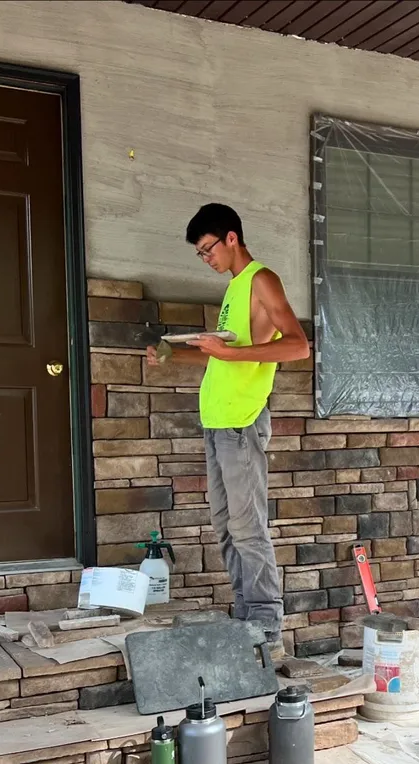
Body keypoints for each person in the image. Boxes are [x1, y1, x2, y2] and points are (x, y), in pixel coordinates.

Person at [147, 204, 310, 653]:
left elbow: (297, 347)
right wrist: (173, 355)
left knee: (247, 526)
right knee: (225, 525)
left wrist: (225, 353)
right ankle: (245, 616)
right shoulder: (235, 288)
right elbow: (226, 354)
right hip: (217, 421)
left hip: (241, 421)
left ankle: (265, 626)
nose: (207, 259)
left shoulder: (262, 279)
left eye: (207, 250)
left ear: (231, 237)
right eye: (200, 255)